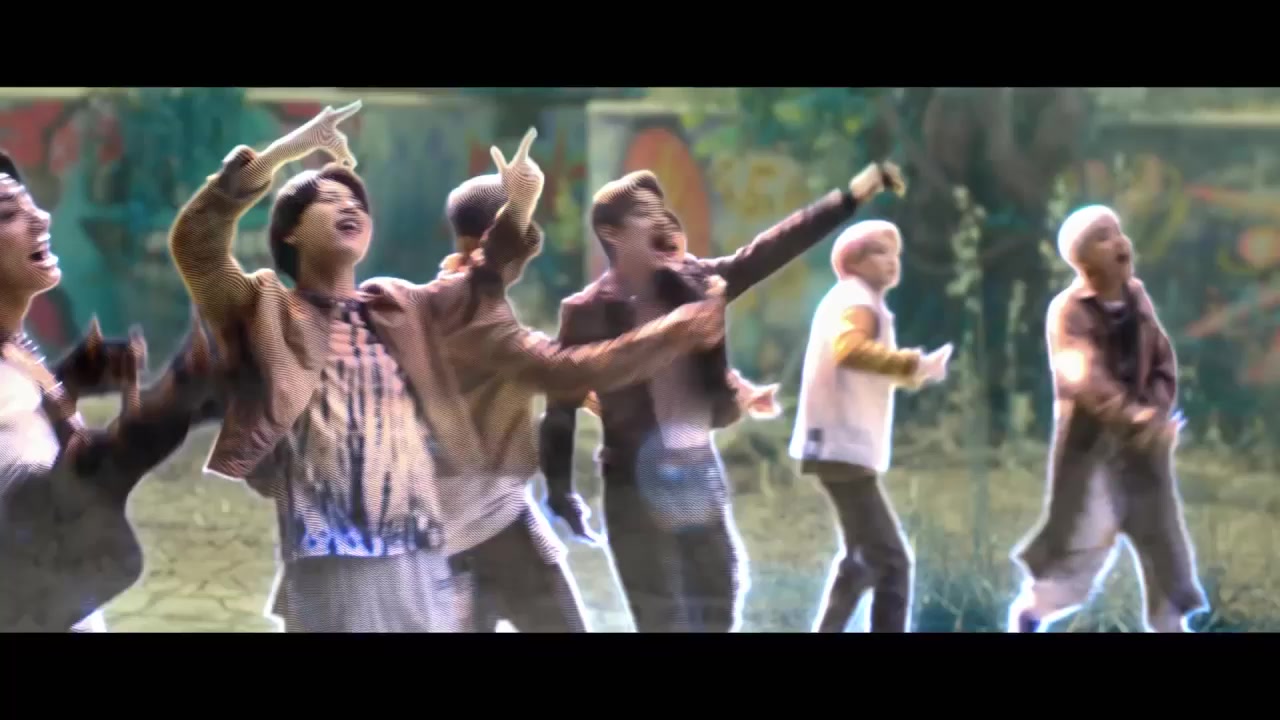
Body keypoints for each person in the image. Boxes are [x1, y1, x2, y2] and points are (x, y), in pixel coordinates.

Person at [167, 106, 726, 633]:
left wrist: (521, 204)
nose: (349, 206)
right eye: (328, 199)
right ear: (290, 232)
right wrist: (286, 150)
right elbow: (197, 245)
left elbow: (483, 275)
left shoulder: (400, 307)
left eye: (357, 201)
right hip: (328, 558)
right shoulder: (263, 309)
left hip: (417, 556)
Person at [540, 161, 904, 632]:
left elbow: (768, 251)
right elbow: (560, 410)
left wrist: (849, 198)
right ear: (614, 235)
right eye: (645, 215)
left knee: (720, 599)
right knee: (662, 619)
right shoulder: (586, 312)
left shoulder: (696, 283)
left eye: (661, 211)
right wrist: (560, 490)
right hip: (632, 485)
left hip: (696, 472)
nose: (661, 222)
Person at [0, 150, 228, 632]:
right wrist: (158, 420)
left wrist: (67, 383)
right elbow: (35, 511)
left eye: (30, 202)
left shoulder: (16, 348)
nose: (41, 218)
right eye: (7, 214)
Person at [1007, 204, 1206, 633]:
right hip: (1093, 456)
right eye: (1102, 237)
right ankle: (1031, 615)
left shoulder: (1137, 299)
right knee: (1081, 556)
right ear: (1081, 260)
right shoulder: (1068, 311)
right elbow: (1084, 377)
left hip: (1142, 457)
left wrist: (1155, 412)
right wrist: (1135, 420)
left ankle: (1170, 626)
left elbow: (1162, 361)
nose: (1118, 242)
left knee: (1162, 548)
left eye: (1117, 232)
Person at [789, 220, 951, 633]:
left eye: (896, 253)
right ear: (852, 261)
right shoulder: (857, 301)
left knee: (861, 559)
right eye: (879, 252)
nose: (892, 261)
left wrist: (915, 371)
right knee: (893, 563)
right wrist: (912, 363)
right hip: (840, 442)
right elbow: (850, 350)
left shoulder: (851, 299)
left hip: (834, 443)